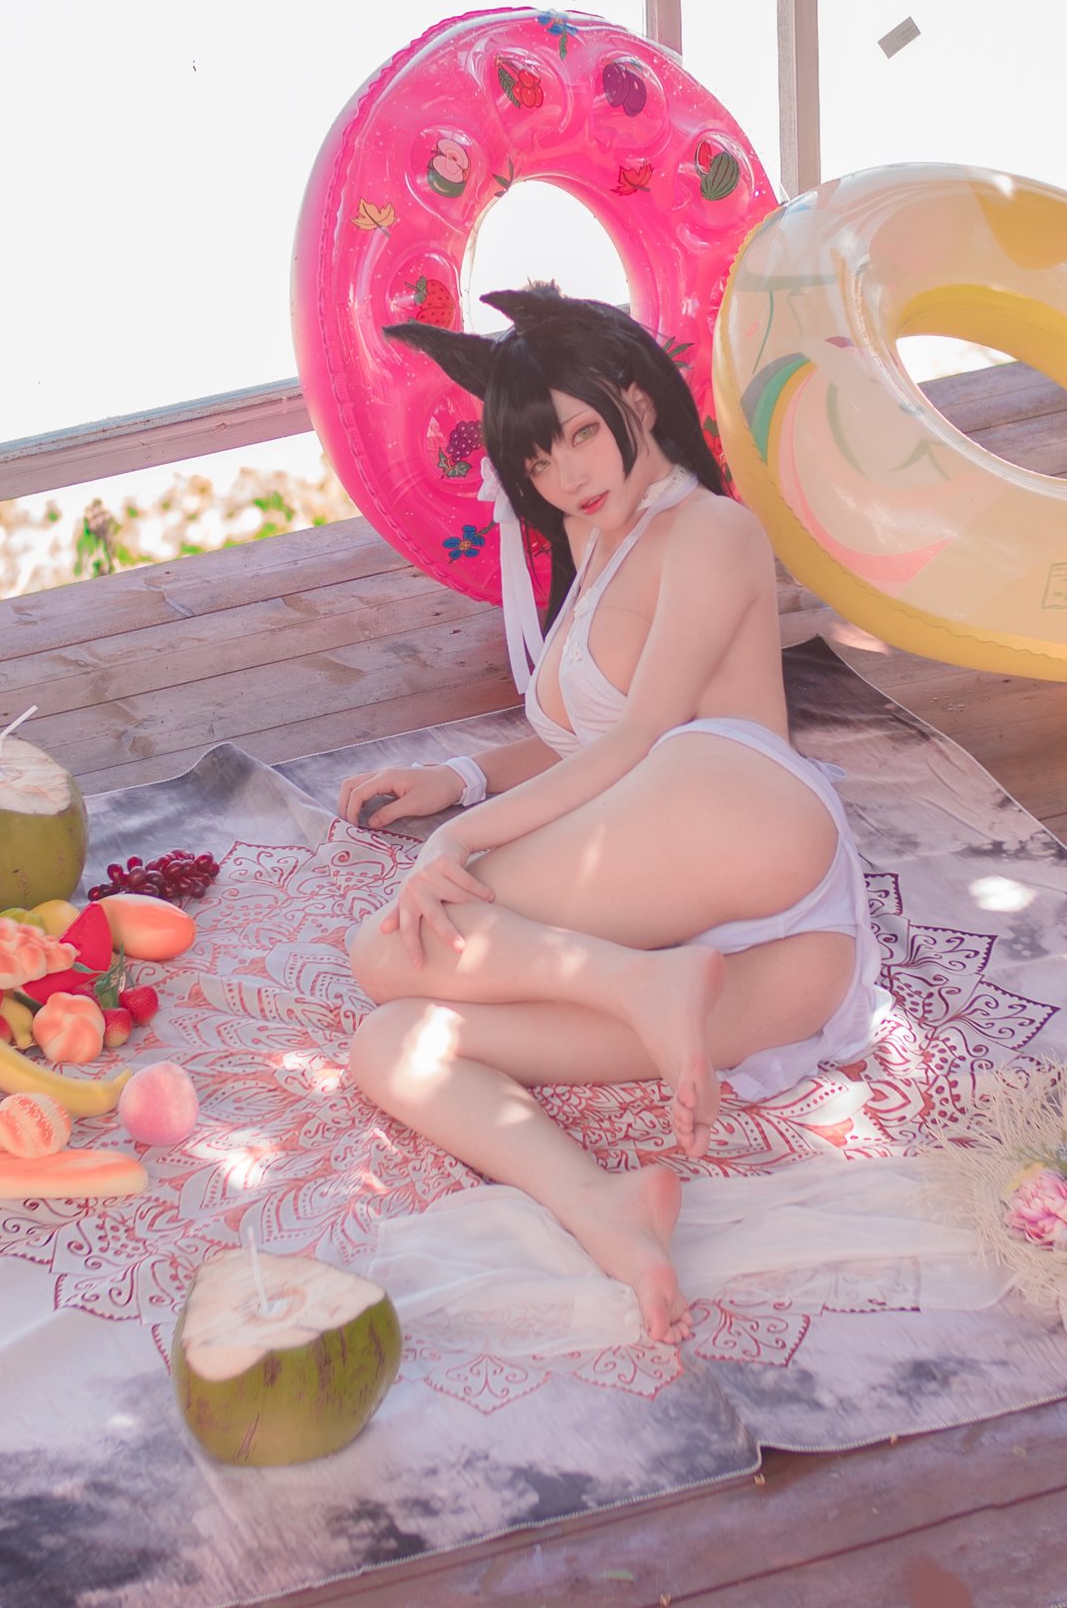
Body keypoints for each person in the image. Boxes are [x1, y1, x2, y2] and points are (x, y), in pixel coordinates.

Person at [335, 287, 886, 1344]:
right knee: (393, 1040)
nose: (567, 476)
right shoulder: (598, 538)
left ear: (638, 396)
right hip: (782, 962)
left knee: (387, 950)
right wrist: (461, 779)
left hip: (738, 810)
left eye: (582, 433)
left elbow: (639, 739)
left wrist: (462, 840)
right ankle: (606, 1209)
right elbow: (586, 742)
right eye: (539, 461)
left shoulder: (712, 529)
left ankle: (642, 980)